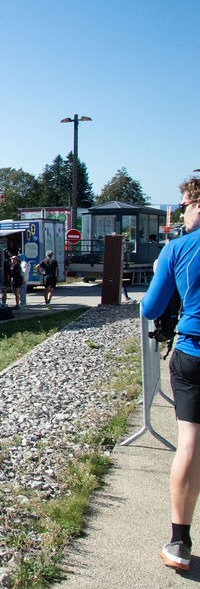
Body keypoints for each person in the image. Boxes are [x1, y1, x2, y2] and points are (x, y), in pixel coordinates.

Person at [142, 176, 200, 572]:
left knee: (190, 441)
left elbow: (151, 306)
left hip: (193, 350)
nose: (181, 214)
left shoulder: (179, 249)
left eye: (184, 206)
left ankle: (180, 541)